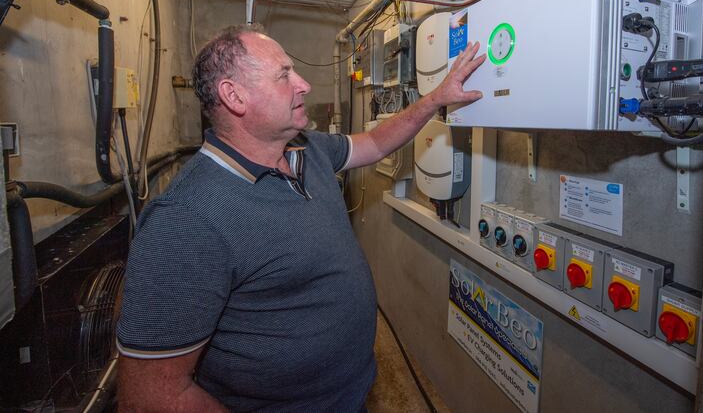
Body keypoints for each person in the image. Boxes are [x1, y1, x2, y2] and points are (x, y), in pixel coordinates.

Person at [115, 24, 485, 412]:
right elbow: (152, 398)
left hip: (350, 392)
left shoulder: (307, 148)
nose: (305, 84)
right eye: (284, 74)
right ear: (234, 95)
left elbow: (374, 143)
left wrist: (434, 100)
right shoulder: (186, 221)